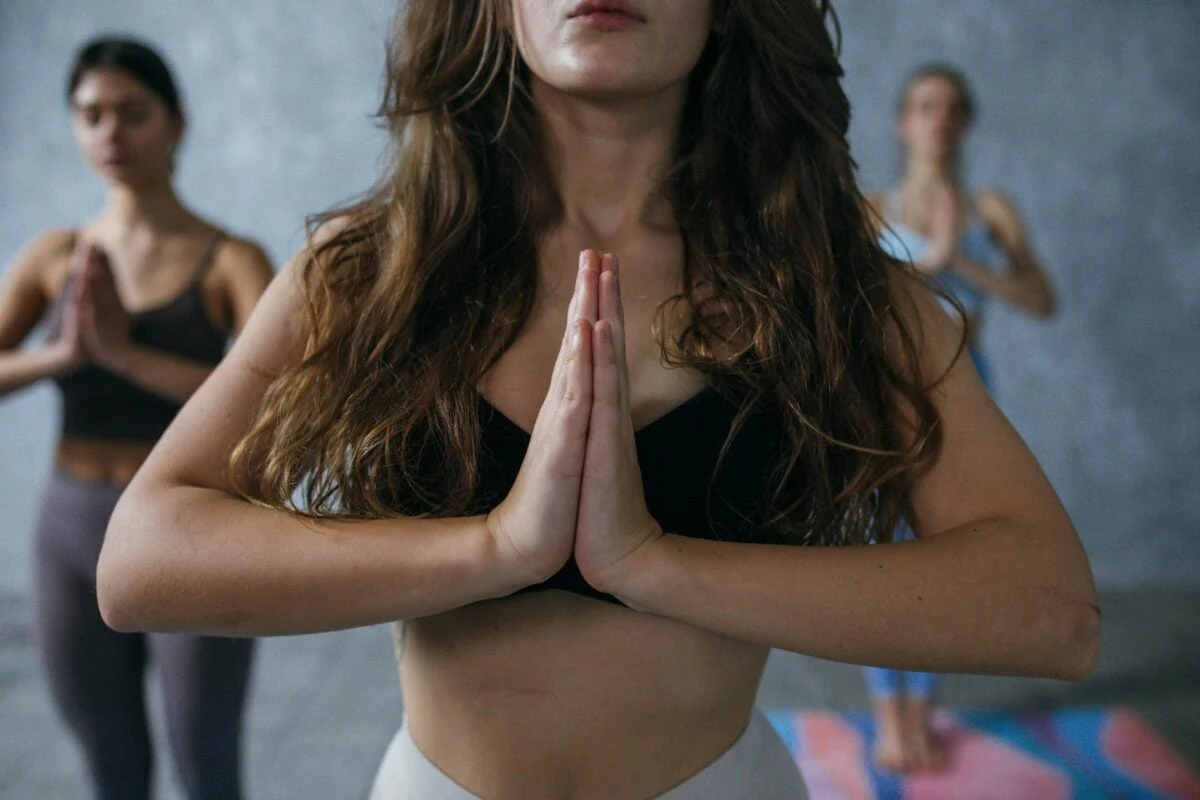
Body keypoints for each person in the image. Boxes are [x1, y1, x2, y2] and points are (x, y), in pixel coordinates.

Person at [97, 4, 1099, 798]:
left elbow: (1052, 611)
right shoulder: (368, 271)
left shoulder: (838, 291)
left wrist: (656, 565)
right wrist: (497, 547)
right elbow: (142, 562)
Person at [0, 37, 273, 800]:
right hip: (69, 528)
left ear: (177, 125)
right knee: (111, 768)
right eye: (90, 115)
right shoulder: (56, 256)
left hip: (190, 529)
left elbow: (283, 403)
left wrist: (121, 354)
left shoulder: (230, 260)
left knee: (207, 765)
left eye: (133, 112)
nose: (111, 132)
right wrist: (61, 355)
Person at [863, 63, 1058, 773]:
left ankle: (922, 711)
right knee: (886, 553)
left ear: (965, 122)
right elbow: (855, 302)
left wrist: (965, 265)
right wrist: (930, 257)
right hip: (893, 396)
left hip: (970, 388)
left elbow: (1040, 299)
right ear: (903, 122)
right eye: (923, 105)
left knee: (952, 554)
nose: (937, 118)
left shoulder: (992, 209)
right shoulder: (872, 209)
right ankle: (889, 713)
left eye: (950, 107)